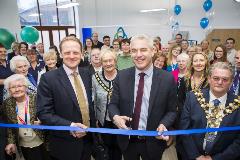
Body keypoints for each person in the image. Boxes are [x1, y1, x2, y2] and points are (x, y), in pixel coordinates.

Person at [108, 34, 177, 160]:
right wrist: (116, 117)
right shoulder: (122, 76)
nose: (138, 55)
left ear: (153, 51)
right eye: (134, 50)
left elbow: (172, 111)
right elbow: (113, 104)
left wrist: (163, 124)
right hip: (127, 141)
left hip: (154, 141)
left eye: (143, 50)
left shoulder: (167, 79)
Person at [37, 36, 96, 160]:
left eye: (75, 52)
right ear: (61, 55)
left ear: (81, 54)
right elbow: (44, 113)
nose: (72, 56)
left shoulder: (87, 74)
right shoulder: (48, 79)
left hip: (89, 140)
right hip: (65, 144)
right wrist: (70, 126)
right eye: (67, 53)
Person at [179, 62, 240, 160]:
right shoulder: (192, 97)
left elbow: (238, 141)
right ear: (209, 79)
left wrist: (216, 158)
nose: (220, 82)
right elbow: (184, 128)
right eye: (216, 78)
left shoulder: (238, 104)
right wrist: (196, 156)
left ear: (231, 82)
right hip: (191, 156)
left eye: (225, 79)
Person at [2, 74, 49, 160]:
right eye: (13, 87)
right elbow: (10, 126)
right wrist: (11, 142)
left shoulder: (37, 99)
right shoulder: (7, 104)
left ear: (26, 87)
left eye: (20, 86)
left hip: (43, 142)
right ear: (9, 90)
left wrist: (43, 122)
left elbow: (49, 117)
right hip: (23, 145)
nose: (17, 89)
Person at [92, 49, 121, 160]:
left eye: (111, 60)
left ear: (115, 61)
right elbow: (93, 100)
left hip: (119, 119)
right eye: (105, 61)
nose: (108, 63)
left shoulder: (123, 76)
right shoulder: (95, 78)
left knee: (118, 147)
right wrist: (94, 119)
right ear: (101, 62)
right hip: (102, 119)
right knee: (106, 146)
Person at [0, 43, 13, 160]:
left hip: (13, 98)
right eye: (0, 52)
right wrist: (10, 81)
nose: (3, 53)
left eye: (4, 51)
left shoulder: (10, 63)